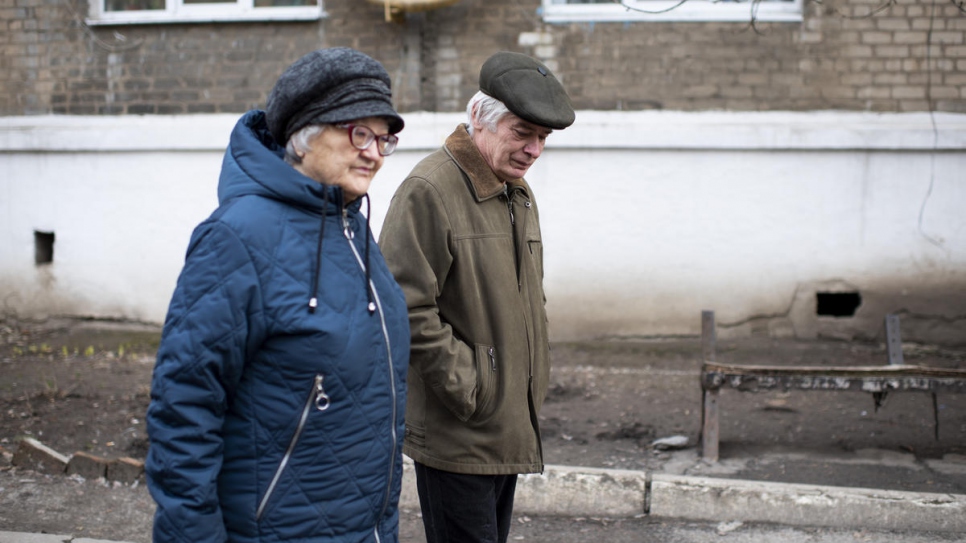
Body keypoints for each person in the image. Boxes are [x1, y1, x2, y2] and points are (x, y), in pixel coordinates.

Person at [145, 47, 410, 543]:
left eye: (383, 138)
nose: (374, 152)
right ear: (304, 137)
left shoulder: (352, 229)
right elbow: (184, 408)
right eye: (358, 133)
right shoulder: (236, 237)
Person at [378, 51, 575, 543]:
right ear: (479, 121)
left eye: (542, 138)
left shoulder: (517, 193)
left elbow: (528, 298)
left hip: (505, 421)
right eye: (522, 132)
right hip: (460, 428)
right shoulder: (430, 189)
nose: (534, 150)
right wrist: (471, 384)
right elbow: (401, 303)